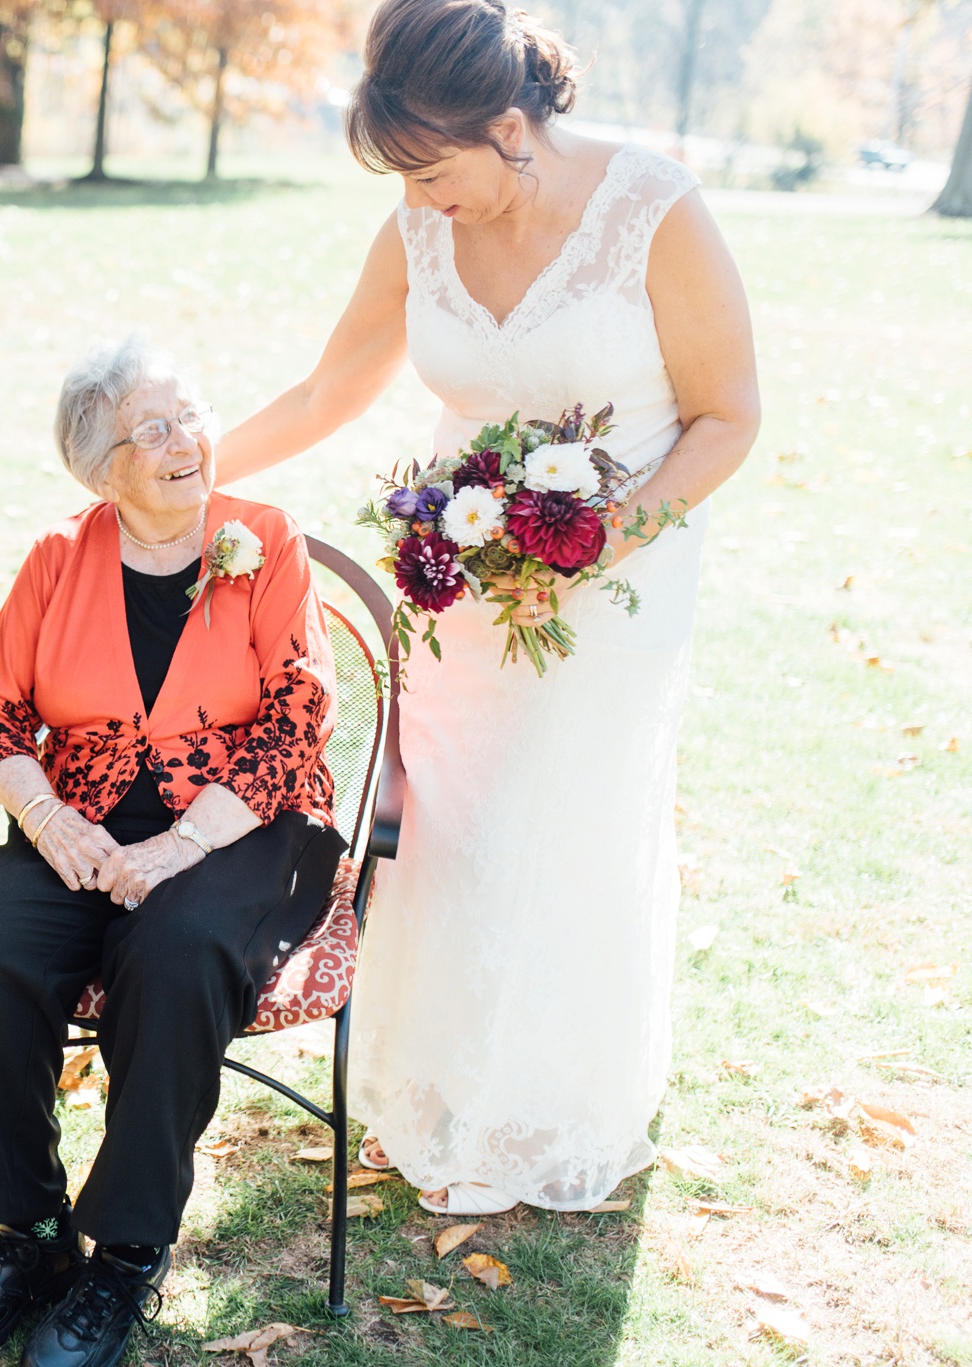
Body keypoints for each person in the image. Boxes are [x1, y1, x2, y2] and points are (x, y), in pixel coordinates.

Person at [215, 0, 761, 1216]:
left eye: (431, 165)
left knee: (559, 809)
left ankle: (550, 1098)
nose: (418, 195)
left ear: (509, 126)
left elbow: (727, 413)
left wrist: (606, 533)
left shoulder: (651, 210)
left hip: (616, 583)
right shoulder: (415, 221)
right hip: (458, 583)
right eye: (399, 172)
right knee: (455, 817)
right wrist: (189, 469)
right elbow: (324, 391)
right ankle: (438, 1076)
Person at [0, 339, 343, 1367]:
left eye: (188, 414)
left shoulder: (265, 539)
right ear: (98, 466)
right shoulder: (60, 554)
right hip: (83, 826)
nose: (182, 439)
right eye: (148, 428)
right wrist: (50, 822)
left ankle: (124, 1250)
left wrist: (179, 842)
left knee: (177, 949)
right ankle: (21, 1231)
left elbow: (299, 715)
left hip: (233, 831)